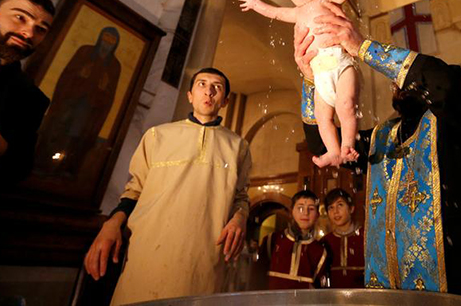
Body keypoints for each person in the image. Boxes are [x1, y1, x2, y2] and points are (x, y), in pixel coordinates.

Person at [295, 2, 461, 305]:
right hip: (394, 294)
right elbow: (322, 145)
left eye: (403, 75)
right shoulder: (381, 138)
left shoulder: (457, 116)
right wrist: (311, 80)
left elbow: (443, 84)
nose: (397, 82)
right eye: (395, 79)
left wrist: (363, 47)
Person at [84, 67, 251, 305]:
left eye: (217, 87)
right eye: (202, 84)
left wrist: (240, 217)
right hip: (147, 253)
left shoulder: (239, 146)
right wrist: (111, 223)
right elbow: (134, 191)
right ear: (190, 95)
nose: (209, 91)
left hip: (203, 260)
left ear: (225, 100)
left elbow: (241, 196)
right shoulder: (157, 136)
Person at [239, 0, 380, 167]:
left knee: (346, 105)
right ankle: (334, 152)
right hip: (318, 73)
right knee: (322, 117)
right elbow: (274, 12)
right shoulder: (297, 13)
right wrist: (255, 4)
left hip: (341, 63)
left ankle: (347, 145)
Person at [0, 0, 54, 190]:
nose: (28, 33)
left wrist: (3, 150)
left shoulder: (32, 99)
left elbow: (20, 169)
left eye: (41, 29)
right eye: (20, 17)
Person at [34, 26, 122, 177]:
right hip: (70, 100)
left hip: (90, 108)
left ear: (115, 44)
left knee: (76, 136)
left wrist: (103, 88)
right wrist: (80, 75)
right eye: (106, 37)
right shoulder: (85, 51)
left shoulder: (114, 65)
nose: (107, 42)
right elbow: (66, 75)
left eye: (112, 40)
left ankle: (64, 168)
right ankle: (41, 164)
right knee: (57, 129)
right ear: (100, 37)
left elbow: (110, 94)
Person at [258, 189, 328, 289]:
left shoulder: (319, 251)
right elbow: (256, 279)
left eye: (311, 209)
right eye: (300, 208)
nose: (305, 213)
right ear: (291, 211)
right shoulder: (271, 240)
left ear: (317, 215)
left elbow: (319, 291)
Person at [322, 188, 365, 288]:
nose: (335, 212)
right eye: (330, 208)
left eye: (340, 205)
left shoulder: (365, 236)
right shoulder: (325, 241)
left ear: (351, 208)